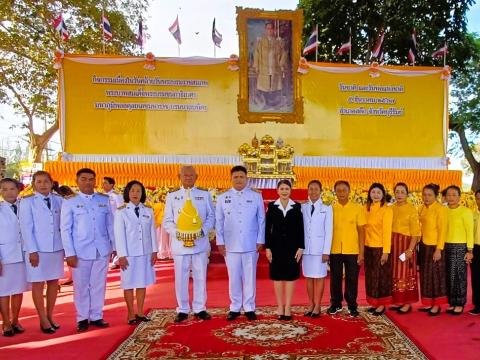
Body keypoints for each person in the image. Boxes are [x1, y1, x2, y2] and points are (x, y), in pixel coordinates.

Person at [60, 168, 114, 332]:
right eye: (84, 179)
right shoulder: (70, 201)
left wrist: (114, 246)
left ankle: (96, 315)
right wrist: (69, 253)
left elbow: (110, 225)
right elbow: (65, 229)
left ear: (95, 181)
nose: (88, 182)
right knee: (81, 286)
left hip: (101, 249)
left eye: (91, 179)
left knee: (98, 285)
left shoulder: (103, 200)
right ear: (77, 181)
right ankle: (82, 317)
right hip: (80, 251)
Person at [163, 165, 215, 323]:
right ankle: (183, 309)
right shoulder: (172, 196)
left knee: (200, 275)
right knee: (181, 277)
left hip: (199, 243)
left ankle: (200, 308)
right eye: (185, 175)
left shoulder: (204, 194)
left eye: (191, 175)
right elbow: (167, 221)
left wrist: (202, 231)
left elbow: (211, 217)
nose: (188, 178)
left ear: (196, 177)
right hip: (180, 244)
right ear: (179, 177)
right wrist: (177, 233)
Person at [215, 165, 265, 321]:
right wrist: (220, 241)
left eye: (241, 177)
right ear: (231, 179)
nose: (238, 179)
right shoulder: (223, 197)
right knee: (234, 277)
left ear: (246, 179)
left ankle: (249, 307)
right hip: (230, 245)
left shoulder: (256, 196)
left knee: (250, 277)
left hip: (251, 244)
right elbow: (219, 221)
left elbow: (261, 219)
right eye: (235, 177)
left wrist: (260, 239)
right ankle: (235, 307)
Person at [19, 171, 64, 334]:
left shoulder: (59, 200)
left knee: (53, 283)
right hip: (37, 249)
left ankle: (50, 315)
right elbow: (26, 228)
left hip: (56, 248)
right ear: (34, 184)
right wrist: (32, 251)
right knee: (38, 283)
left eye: (46, 181)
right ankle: (42, 318)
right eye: (39, 182)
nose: (43, 184)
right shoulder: (27, 202)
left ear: (52, 183)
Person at [114, 180, 158, 325]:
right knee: (128, 284)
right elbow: (119, 234)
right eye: (132, 190)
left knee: (142, 282)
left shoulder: (148, 210)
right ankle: (130, 313)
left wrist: (154, 251)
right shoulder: (121, 212)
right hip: (129, 254)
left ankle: (140, 312)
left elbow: (152, 232)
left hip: (145, 252)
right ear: (127, 193)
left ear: (142, 193)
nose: (135, 193)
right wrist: (121, 255)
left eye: (138, 191)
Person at [265, 180, 304, 320]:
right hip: (276, 247)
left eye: (287, 188)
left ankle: (288, 306)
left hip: (292, 248)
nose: (284, 191)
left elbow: (301, 229)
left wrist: (301, 247)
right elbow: (267, 229)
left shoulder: (297, 206)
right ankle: (280, 306)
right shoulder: (272, 206)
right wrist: (268, 247)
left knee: (290, 277)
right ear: (277, 190)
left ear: (291, 190)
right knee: (277, 276)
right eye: (282, 188)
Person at [327, 180, 366, 317]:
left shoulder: (357, 208)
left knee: (352, 278)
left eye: (344, 190)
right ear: (335, 192)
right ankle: (336, 303)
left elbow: (361, 231)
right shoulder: (331, 209)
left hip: (353, 250)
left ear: (349, 192)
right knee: (335, 278)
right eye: (339, 190)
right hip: (335, 249)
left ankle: (352, 305)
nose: (342, 193)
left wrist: (361, 252)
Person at [0, 178, 29, 337]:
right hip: (5, 255)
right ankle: (5, 321)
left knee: (18, 290)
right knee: (3, 291)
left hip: (23, 254)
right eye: (4, 189)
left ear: (18, 190)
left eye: (12, 189)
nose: (8, 192)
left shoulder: (25, 206)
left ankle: (16, 320)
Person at [301, 180, 332, 318]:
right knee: (308, 277)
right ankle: (311, 304)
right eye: (311, 189)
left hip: (320, 250)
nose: (313, 192)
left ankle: (318, 305)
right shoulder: (302, 207)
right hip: (306, 249)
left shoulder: (327, 208)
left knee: (319, 277)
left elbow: (329, 231)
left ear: (321, 191)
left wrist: (326, 251)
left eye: (316, 189)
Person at [389, 183, 421, 314]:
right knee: (395, 274)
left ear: (407, 194)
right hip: (393, 245)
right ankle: (398, 301)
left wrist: (410, 250)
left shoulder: (411, 209)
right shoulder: (390, 208)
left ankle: (407, 303)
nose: (400, 194)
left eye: (402, 192)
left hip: (406, 246)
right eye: (397, 192)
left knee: (405, 274)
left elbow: (416, 232)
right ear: (394, 193)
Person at [417, 183, 448, 316]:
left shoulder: (440, 209)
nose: (426, 197)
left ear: (436, 196)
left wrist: (439, 249)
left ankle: (437, 305)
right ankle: (428, 302)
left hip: (435, 246)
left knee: (436, 276)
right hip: (423, 246)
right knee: (425, 275)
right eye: (424, 194)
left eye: (430, 195)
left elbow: (443, 231)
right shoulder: (422, 208)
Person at [444, 185, 474, 315]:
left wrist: (470, 250)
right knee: (449, 276)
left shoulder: (466, 211)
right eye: (448, 195)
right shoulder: (443, 211)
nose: (451, 197)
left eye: (454, 195)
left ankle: (460, 303)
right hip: (445, 246)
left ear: (459, 197)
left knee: (459, 276)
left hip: (460, 247)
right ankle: (452, 302)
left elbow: (469, 231)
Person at [364, 183, 393, 316]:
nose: (375, 195)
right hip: (368, 247)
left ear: (383, 195)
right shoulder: (366, 208)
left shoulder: (387, 209)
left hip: (380, 248)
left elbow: (387, 232)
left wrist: (386, 252)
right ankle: (374, 303)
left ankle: (381, 305)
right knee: (371, 277)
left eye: (378, 192)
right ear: (369, 193)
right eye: (373, 192)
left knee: (381, 277)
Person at [252, 21, 287, 110]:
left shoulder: (278, 41)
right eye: (268, 29)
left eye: (271, 28)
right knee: (264, 86)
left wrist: (281, 63)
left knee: (274, 86)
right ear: (265, 30)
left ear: (274, 30)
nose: (270, 30)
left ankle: (273, 104)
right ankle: (267, 104)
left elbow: (284, 53)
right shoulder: (260, 41)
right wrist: (256, 65)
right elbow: (256, 53)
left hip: (275, 67)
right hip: (264, 68)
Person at [103, 177, 124, 270]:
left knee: (116, 242)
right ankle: (108, 260)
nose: (103, 185)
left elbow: (121, 208)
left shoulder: (116, 195)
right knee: (107, 242)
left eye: (105, 183)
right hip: (104, 223)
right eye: (103, 183)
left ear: (112, 185)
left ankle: (117, 261)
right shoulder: (102, 196)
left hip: (115, 222)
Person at [469, 189, 480, 315]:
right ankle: (478, 305)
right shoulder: (472, 215)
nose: (479, 201)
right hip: (476, 249)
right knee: (476, 278)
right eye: (477, 198)